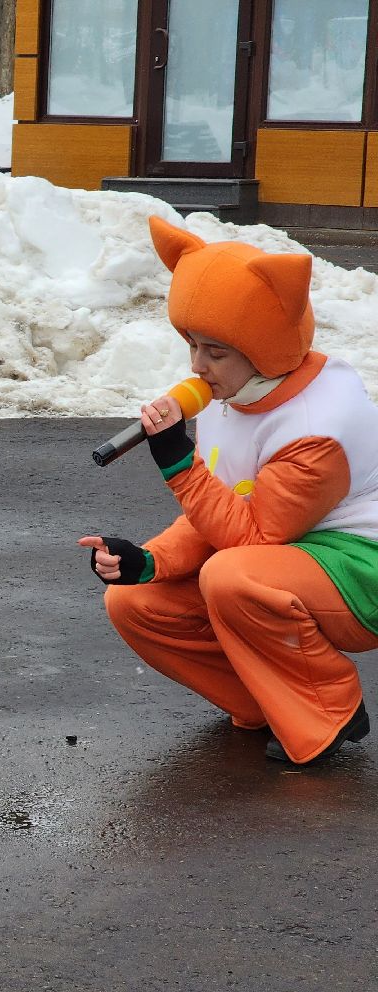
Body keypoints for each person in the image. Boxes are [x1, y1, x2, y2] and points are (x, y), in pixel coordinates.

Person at [80, 215, 378, 766]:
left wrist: (176, 461)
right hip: (293, 560)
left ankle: (329, 710)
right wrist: (150, 561)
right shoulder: (237, 395)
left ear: (262, 345)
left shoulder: (318, 425)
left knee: (230, 575)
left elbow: (253, 535)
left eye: (215, 350)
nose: (197, 365)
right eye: (192, 344)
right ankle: (271, 703)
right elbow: (220, 506)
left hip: (362, 566)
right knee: (135, 601)